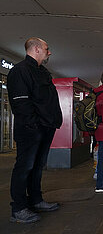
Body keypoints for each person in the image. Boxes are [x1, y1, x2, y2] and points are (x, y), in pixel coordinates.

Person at [7, 37, 63, 223]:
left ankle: (36, 200)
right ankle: (19, 208)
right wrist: (34, 126)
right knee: (24, 167)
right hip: (31, 129)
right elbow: (21, 103)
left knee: (37, 167)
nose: (49, 52)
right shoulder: (20, 71)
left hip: (45, 127)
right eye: (47, 49)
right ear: (37, 49)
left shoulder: (43, 72)